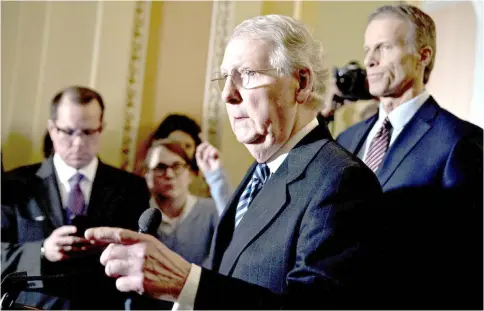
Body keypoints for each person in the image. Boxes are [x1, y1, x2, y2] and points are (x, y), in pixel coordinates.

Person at [85, 15, 384, 310]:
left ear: (301, 83)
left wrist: (185, 284)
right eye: (225, 78)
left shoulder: (341, 181)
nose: (228, 94)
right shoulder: (261, 172)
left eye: (249, 74)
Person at [335, 4, 483, 308]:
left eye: (384, 47)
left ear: (423, 56)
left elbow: (466, 262)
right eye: (367, 49)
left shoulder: (459, 142)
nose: (369, 61)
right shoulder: (346, 139)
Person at [1, 86, 151, 309]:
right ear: (52, 129)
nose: (79, 143)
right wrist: (43, 250)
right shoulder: (15, 184)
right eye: (69, 132)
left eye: (88, 132)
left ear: (101, 129)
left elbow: (142, 261)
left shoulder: (131, 188)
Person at [144, 139, 229, 265]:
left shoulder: (212, 210)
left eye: (177, 166)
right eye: (160, 167)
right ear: (147, 176)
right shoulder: (138, 210)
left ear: (189, 174)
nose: (169, 174)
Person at [133, 114, 214, 198]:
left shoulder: (203, 179)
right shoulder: (150, 176)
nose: (182, 151)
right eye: (176, 144)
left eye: (188, 146)